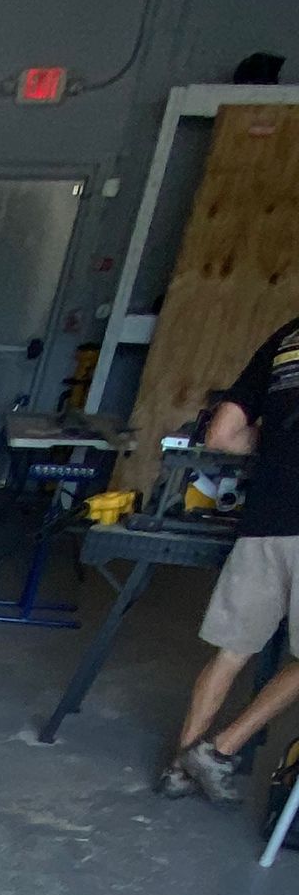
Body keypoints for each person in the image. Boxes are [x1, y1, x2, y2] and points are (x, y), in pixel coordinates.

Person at [162, 314, 299, 801]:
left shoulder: (286, 338)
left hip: (264, 521)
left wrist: (279, 440)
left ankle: (179, 770)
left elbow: (220, 437)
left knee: (232, 652)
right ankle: (217, 750)